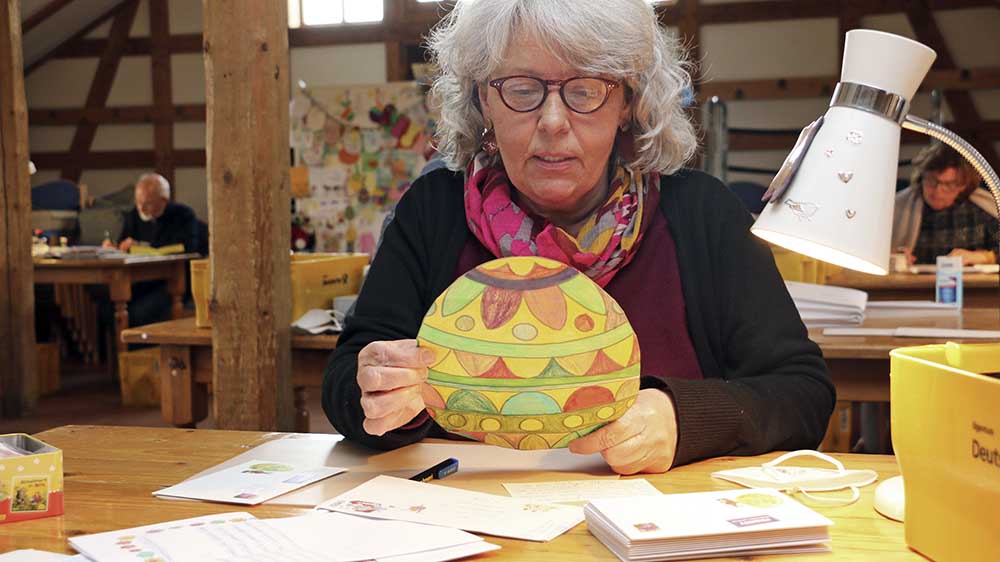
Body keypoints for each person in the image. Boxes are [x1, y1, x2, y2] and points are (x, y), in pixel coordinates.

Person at [323, 0, 834, 474]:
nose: (552, 122)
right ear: (484, 101)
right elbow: (347, 377)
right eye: (521, 90)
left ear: (629, 102)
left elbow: (802, 392)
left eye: (585, 90)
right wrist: (380, 394)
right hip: (468, 522)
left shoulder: (702, 214)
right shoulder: (433, 212)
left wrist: (684, 418)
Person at [102, 173, 200, 328]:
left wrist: (142, 246)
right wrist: (114, 248)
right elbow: (124, 245)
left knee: (138, 313)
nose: (141, 208)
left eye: (147, 204)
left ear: (163, 201)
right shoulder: (134, 215)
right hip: (140, 281)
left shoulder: (183, 215)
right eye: (138, 202)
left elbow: (187, 248)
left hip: (172, 283)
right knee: (105, 305)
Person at [892, 143, 998, 265]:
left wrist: (983, 257)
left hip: (970, 282)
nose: (938, 191)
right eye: (932, 180)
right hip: (913, 283)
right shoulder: (900, 206)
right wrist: (894, 256)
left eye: (949, 184)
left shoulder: (982, 209)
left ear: (963, 185)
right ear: (922, 177)